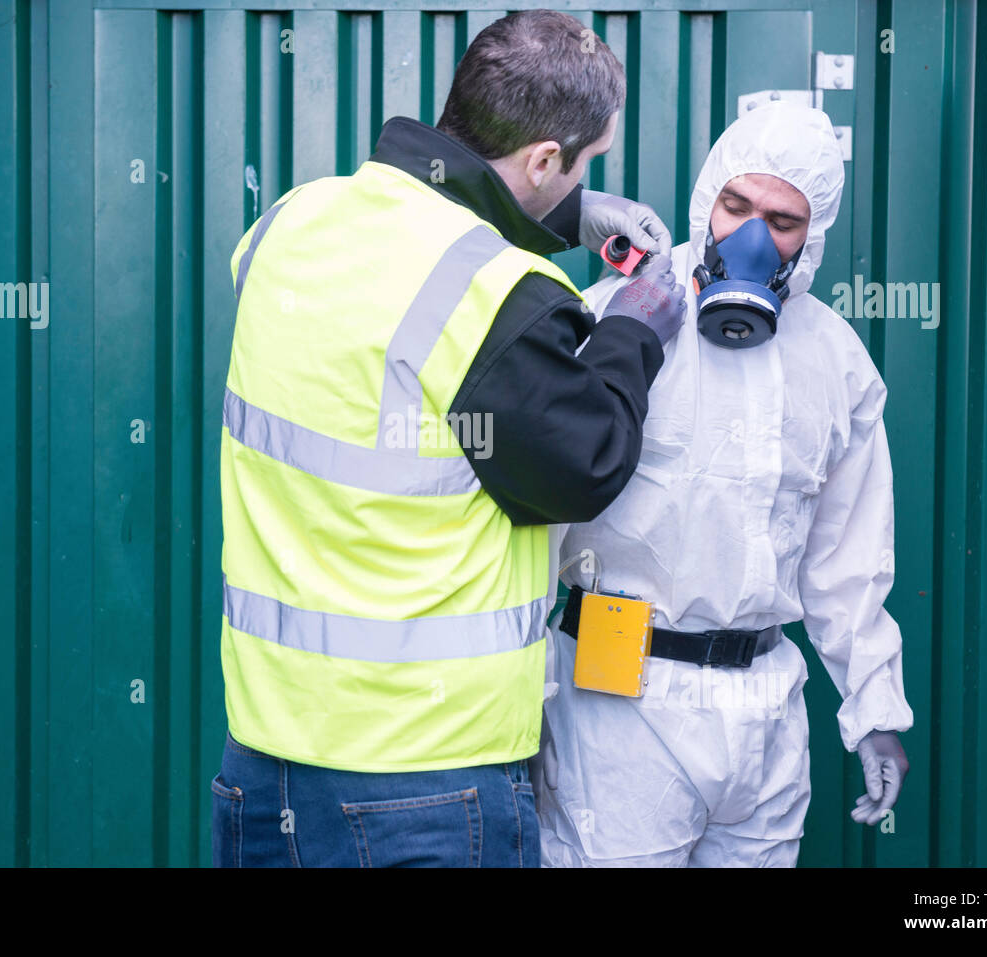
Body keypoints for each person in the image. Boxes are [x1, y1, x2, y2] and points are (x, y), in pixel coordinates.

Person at [214, 9, 685, 867]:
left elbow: (400, 263)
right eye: (582, 163)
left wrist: (562, 211)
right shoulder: (495, 297)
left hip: (263, 764)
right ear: (544, 157)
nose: (583, 175)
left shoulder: (291, 223)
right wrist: (637, 332)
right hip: (421, 783)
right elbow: (585, 463)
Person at [530, 102, 913, 867]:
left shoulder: (835, 362)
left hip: (766, 710)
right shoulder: (620, 317)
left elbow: (848, 559)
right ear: (708, 199)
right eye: (735, 207)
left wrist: (874, 708)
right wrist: (513, 709)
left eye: (781, 220)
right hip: (617, 707)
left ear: (813, 235)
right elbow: (541, 525)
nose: (749, 237)